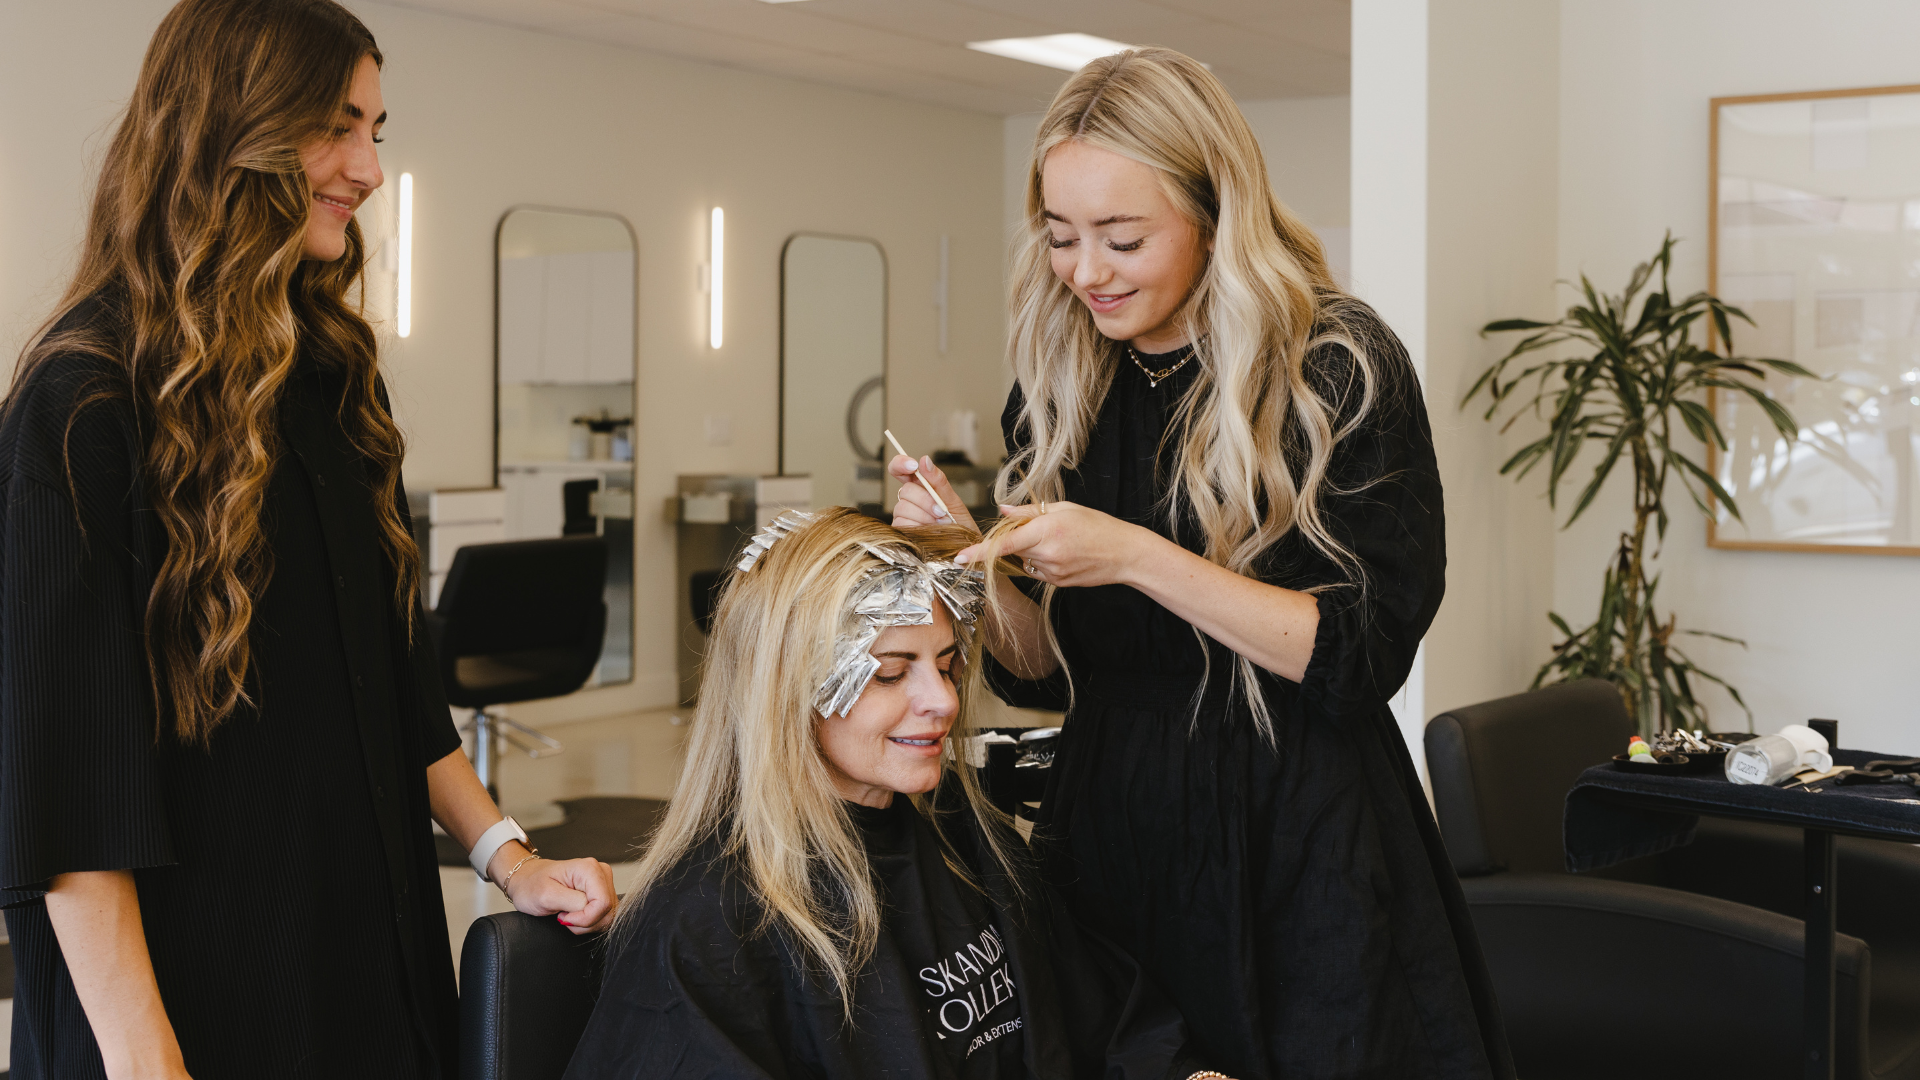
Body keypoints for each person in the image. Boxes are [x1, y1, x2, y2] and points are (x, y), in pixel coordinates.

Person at [0, 2, 615, 1078]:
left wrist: (506, 858)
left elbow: (395, 683)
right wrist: (150, 1061)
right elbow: (65, 794)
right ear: (232, 128)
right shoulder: (83, 403)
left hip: (363, 963)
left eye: (378, 129)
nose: (370, 168)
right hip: (177, 1002)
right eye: (339, 126)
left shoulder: (331, 373)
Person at [890, 48, 1515, 1080]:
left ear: (1215, 216)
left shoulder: (1335, 369)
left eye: (1122, 238)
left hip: (1300, 830)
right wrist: (974, 557)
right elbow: (1039, 671)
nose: (1085, 271)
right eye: (1060, 237)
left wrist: (1135, 555)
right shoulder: (1063, 381)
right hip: (1115, 826)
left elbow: (1359, 655)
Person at [565, 508, 1228, 1080]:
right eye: (889, 674)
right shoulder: (709, 924)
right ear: (789, 690)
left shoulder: (961, 840)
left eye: (946, 663)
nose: (942, 700)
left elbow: (1101, 1016)